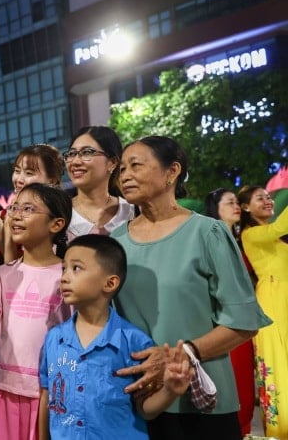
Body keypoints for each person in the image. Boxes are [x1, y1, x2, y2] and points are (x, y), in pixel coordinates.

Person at [110, 135, 272, 439]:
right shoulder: (116, 243)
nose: (125, 176)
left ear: (172, 172)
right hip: (138, 401)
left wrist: (184, 353)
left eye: (136, 166)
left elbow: (244, 321)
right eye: (121, 169)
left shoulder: (206, 232)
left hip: (200, 403)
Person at [38, 234, 194, 439]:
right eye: (64, 268)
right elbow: (47, 397)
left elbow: (145, 409)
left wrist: (169, 391)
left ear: (110, 283)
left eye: (76, 268)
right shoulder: (53, 339)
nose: (64, 277)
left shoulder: (135, 342)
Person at [0, 182, 73, 440]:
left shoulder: (68, 275)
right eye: (14, 208)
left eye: (28, 209)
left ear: (56, 224)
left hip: (51, 393)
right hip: (3, 389)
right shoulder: (3, 275)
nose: (15, 215)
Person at [203, 187, 256, 436]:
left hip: (245, 323)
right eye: (230, 202)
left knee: (246, 383)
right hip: (225, 324)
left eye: (237, 202)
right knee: (233, 385)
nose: (236, 206)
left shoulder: (240, 238)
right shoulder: (211, 238)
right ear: (215, 208)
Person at [237, 184, 288, 439]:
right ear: (245, 207)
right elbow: (280, 226)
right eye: (260, 198)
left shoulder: (274, 237)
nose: (268, 201)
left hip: (285, 300)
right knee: (279, 368)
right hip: (273, 302)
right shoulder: (250, 235)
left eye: (269, 197)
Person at [0, 143, 64, 266]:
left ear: (52, 181)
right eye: (17, 171)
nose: (18, 179)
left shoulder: (57, 217)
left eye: (29, 173)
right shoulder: (0, 216)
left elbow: (27, 271)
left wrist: (0, 231)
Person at [63, 126, 134, 242]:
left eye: (87, 152)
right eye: (71, 154)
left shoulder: (132, 212)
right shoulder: (58, 214)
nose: (75, 161)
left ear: (112, 162)